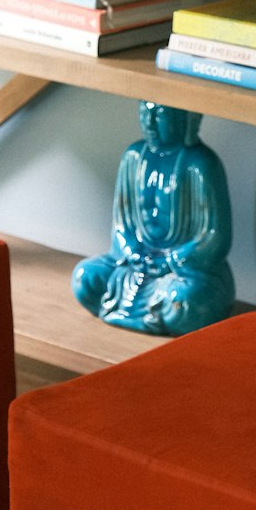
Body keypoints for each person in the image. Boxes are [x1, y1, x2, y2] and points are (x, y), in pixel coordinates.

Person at [72, 100, 234, 335]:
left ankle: (162, 306)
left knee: (183, 303)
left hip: (184, 270)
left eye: (159, 115)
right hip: (133, 264)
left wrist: (170, 261)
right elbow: (121, 223)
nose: (149, 122)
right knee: (84, 279)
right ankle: (141, 307)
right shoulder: (134, 156)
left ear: (186, 120)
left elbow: (214, 237)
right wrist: (131, 251)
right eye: (144, 113)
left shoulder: (200, 164)